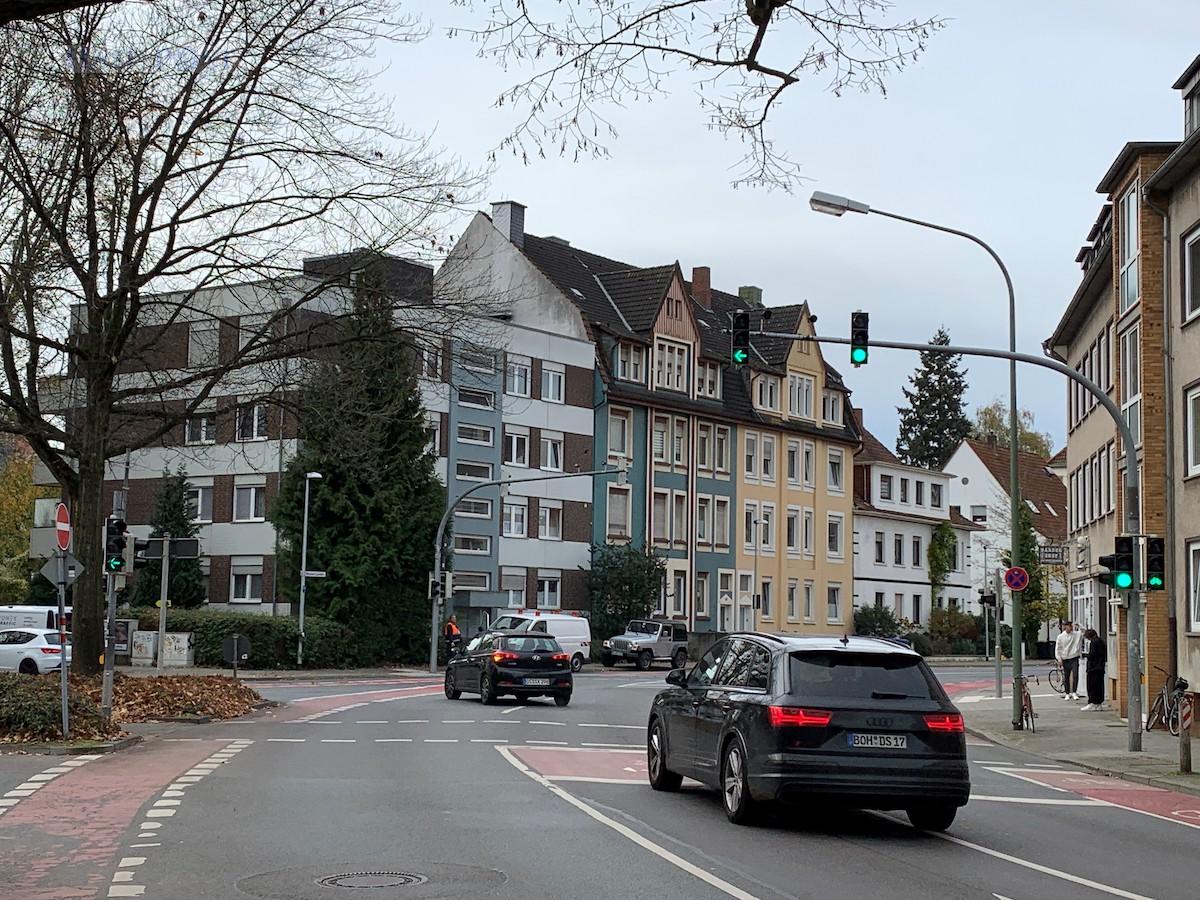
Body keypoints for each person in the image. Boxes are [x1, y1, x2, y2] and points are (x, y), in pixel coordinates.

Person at [1054, 620, 1082, 701]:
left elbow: (1084, 632)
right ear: (1065, 627)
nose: (1071, 628)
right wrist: (1059, 658)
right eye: (1069, 626)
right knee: (1066, 676)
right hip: (1065, 658)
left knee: (1075, 674)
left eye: (1071, 626)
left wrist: (1079, 626)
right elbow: (1058, 648)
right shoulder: (1060, 637)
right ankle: (1067, 693)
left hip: (1074, 657)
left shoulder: (1076, 634)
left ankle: (1074, 692)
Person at [1081, 627, 1106, 711]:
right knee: (1099, 686)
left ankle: (1092, 702)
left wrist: (1084, 655)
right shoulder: (1101, 642)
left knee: (1091, 686)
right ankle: (1099, 704)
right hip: (1100, 668)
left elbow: (1092, 655)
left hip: (1093, 668)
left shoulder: (1094, 642)